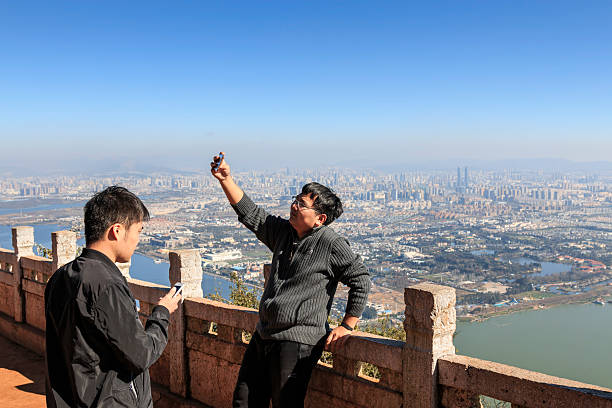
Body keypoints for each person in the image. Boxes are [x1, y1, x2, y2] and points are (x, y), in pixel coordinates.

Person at [211, 152, 371, 408]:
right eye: (296, 200)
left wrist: (347, 326)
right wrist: (225, 180)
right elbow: (252, 214)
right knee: (244, 400)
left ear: (321, 219)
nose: (294, 206)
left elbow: (361, 279)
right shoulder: (284, 232)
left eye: (302, 204)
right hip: (264, 333)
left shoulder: (330, 243)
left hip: (297, 341)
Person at [44, 186, 182, 408]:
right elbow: (141, 354)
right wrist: (162, 313)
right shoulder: (106, 284)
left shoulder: (60, 277)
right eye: (138, 231)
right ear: (117, 231)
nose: (138, 240)